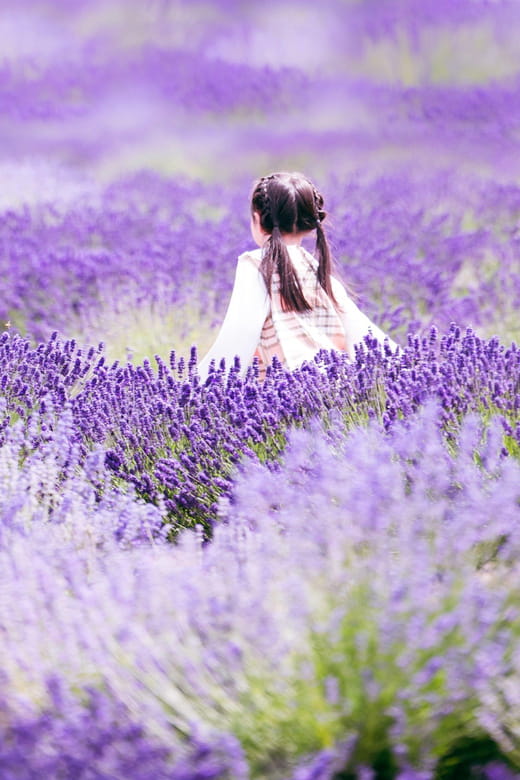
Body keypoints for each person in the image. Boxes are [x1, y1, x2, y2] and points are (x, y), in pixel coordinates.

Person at [198, 171, 399, 382]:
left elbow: (237, 339)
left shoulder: (256, 266)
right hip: (338, 390)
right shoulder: (316, 270)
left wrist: (196, 388)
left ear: (257, 219)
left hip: (288, 398)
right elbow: (364, 335)